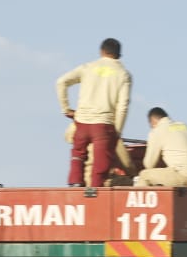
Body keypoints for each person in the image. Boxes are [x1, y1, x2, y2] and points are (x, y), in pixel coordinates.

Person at [56, 38, 132, 187]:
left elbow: (61, 82)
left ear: (101, 51)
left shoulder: (87, 67)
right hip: (103, 125)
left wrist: (66, 108)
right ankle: (94, 195)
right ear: (119, 55)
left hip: (82, 122)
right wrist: (117, 131)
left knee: (78, 155)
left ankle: (75, 184)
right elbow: (123, 105)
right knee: (100, 166)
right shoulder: (123, 74)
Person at [136, 107, 187, 188]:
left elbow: (149, 164)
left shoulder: (157, 130)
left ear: (152, 122)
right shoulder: (183, 126)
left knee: (144, 175)